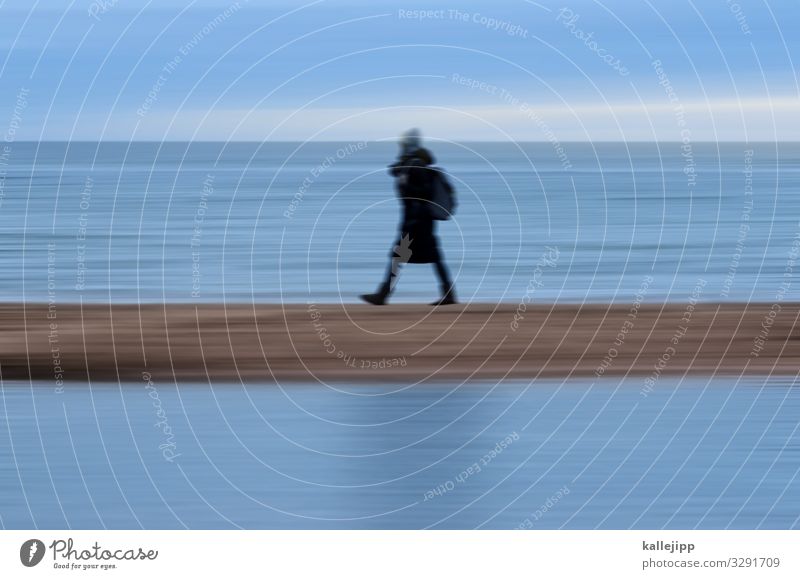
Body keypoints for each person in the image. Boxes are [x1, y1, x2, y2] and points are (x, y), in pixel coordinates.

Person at [360, 129, 457, 306]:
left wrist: (412, 212)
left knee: (398, 256)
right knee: (432, 257)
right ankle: (449, 293)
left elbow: (420, 193)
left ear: (408, 145)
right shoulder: (413, 165)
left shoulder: (415, 165)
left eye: (402, 144)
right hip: (421, 221)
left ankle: (383, 295)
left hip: (416, 222)